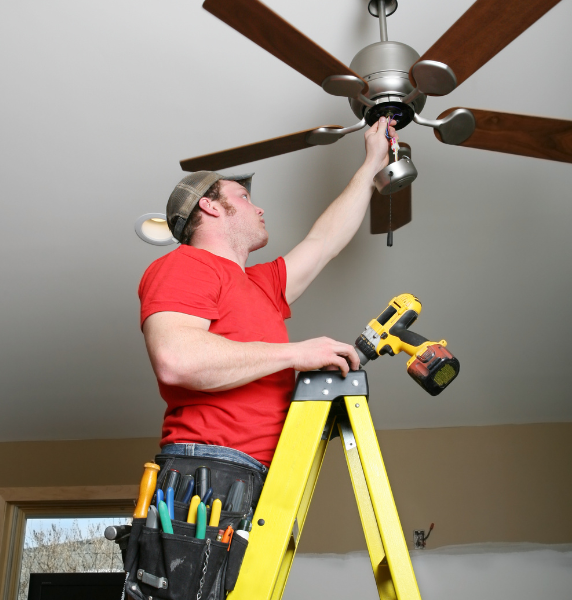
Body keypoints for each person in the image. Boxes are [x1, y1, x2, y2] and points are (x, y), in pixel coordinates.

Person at [139, 117, 396, 476]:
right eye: (243, 198)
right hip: (211, 465)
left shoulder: (259, 284)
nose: (258, 208)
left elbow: (324, 242)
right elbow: (177, 360)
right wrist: (297, 353)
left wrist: (372, 164)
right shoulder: (185, 265)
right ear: (210, 207)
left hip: (259, 473)